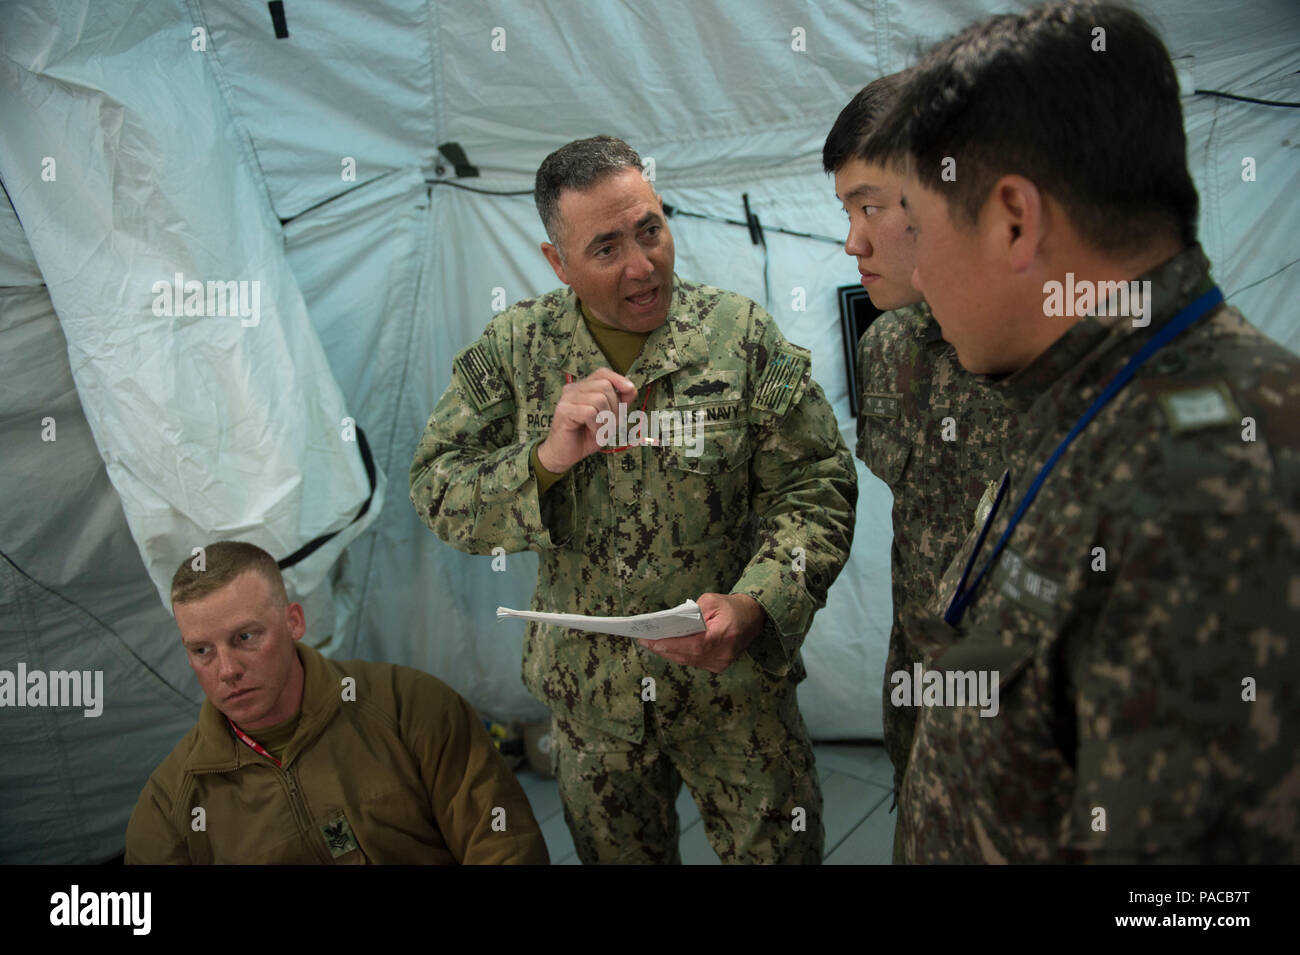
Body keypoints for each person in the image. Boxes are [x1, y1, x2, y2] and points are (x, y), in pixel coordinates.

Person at [862, 0, 1300, 863]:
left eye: (917, 221)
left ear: (1015, 220)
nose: (911, 265)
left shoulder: (1208, 477)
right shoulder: (1092, 396)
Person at [410, 135, 857, 864]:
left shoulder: (738, 337)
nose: (643, 266)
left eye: (650, 229)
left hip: (736, 692)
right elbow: (437, 488)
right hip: (595, 705)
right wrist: (546, 459)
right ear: (558, 262)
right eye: (607, 247)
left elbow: (817, 485)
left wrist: (753, 606)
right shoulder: (519, 350)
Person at [823, 73, 1015, 860]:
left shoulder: (1059, 356)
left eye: (870, 206)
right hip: (919, 686)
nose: (852, 242)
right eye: (846, 213)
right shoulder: (890, 345)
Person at [125, 541, 548, 864]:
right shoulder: (171, 803)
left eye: (245, 638)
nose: (227, 669)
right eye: (202, 651)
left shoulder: (410, 707)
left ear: (294, 622)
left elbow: (504, 846)